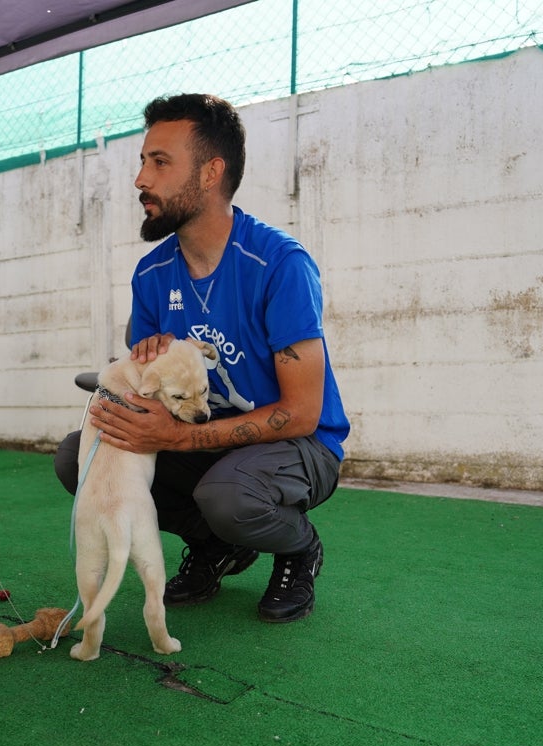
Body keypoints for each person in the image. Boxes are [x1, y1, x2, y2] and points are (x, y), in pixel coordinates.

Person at [55, 93, 348, 624]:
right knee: (82, 454)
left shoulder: (279, 263)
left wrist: (178, 437)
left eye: (159, 162)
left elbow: (302, 412)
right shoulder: (151, 274)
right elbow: (147, 387)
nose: (140, 179)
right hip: (205, 442)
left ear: (212, 172)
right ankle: (217, 546)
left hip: (299, 445)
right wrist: (132, 388)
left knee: (228, 493)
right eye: (143, 162)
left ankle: (297, 547)